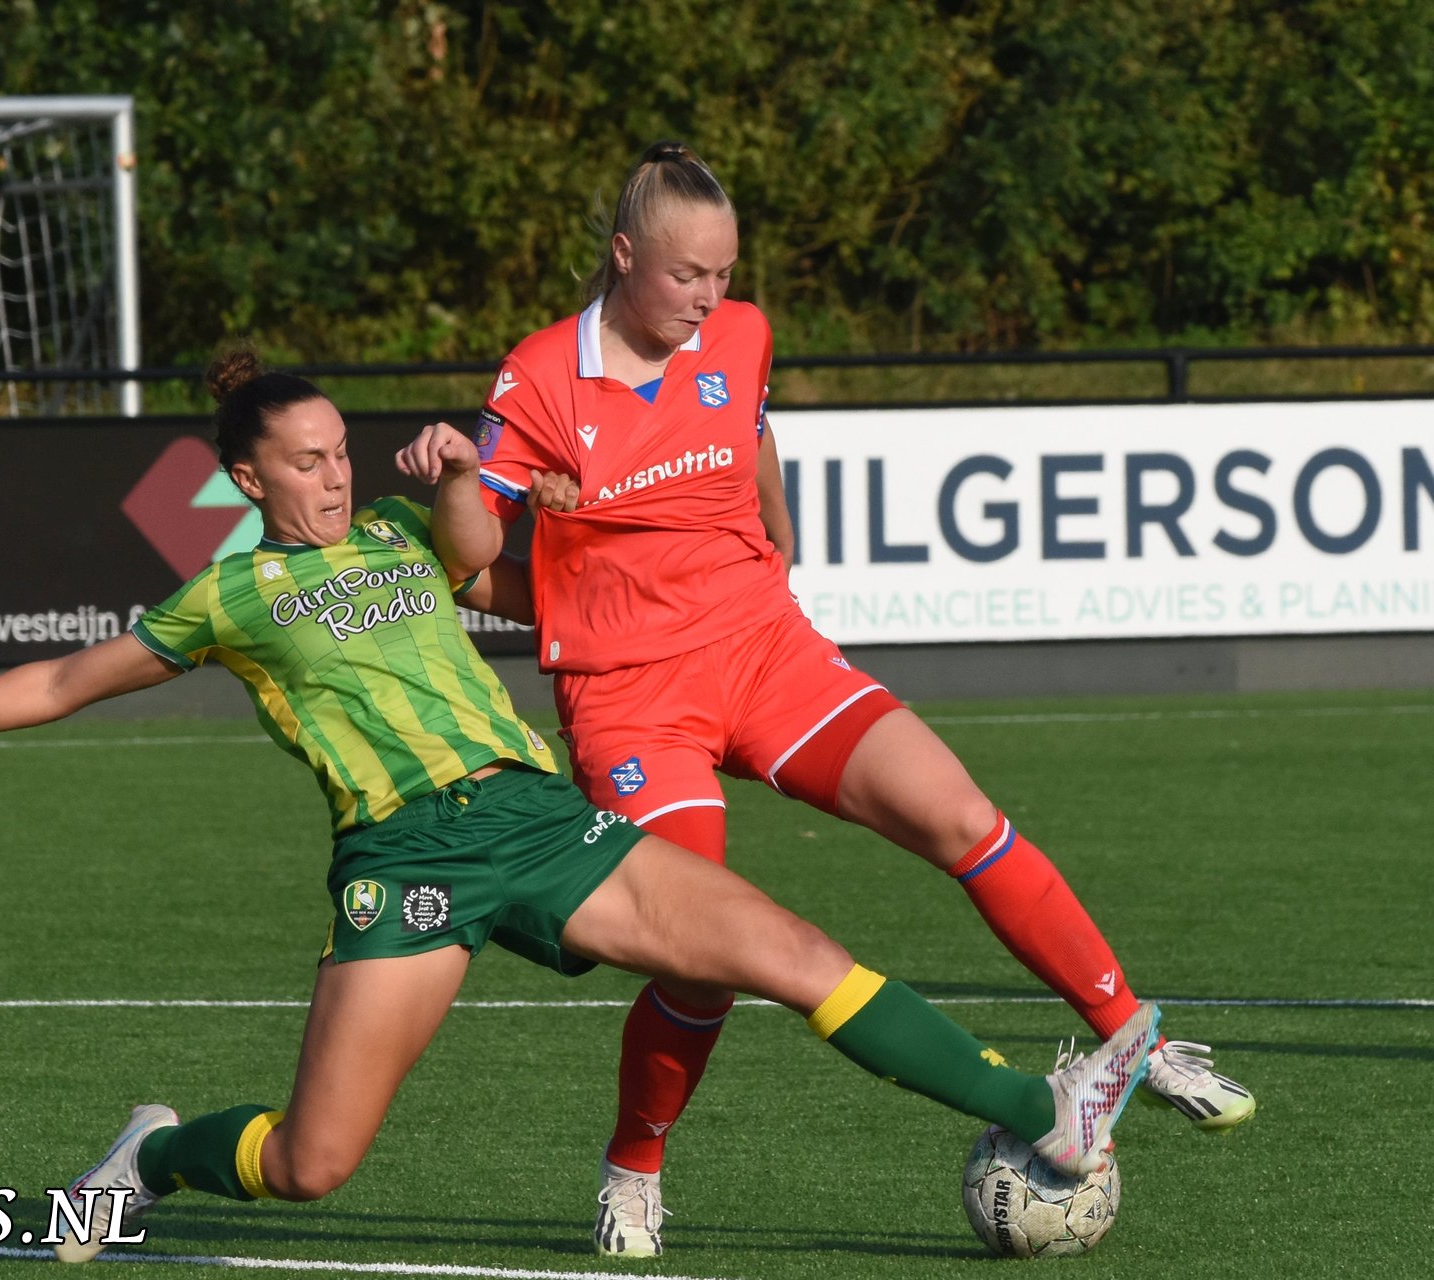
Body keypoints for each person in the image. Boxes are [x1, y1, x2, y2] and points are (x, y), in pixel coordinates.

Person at [0, 351, 1156, 1265]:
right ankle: (157, 1151)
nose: (332, 471)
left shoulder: (401, 536)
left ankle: (1046, 1108)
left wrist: (500, 489)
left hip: (538, 822)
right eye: (302, 461)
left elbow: (534, 555)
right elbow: (69, 680)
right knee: (312, 1166)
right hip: (405, 863)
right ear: (246, 483)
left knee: (791, 955)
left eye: (336, 451)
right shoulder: (228, 597)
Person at [407, 141, 1253, 1257]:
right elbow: (466, 564)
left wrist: (779, 536)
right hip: (630, 698)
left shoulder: (740, 335)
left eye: (723, 272)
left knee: (961, 816)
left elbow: (752, 429)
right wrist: (477, 498)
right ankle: (634, 1167)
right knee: (699, 949)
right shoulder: (540, 380)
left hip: (767, 652)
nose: (709, 297)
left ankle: (1129, 1040)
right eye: (684, 275)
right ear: (622, 256)